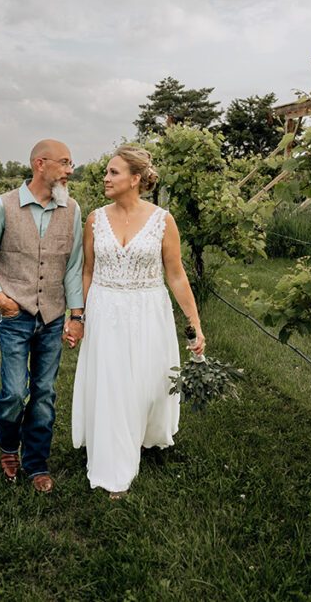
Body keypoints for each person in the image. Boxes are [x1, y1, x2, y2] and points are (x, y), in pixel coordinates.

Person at [71, 145, 205, 498]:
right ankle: (114, 467)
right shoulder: (94, 219)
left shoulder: (163, 220)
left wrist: (194, 322)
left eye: (113, 172)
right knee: (113, 385)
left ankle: (142, 435)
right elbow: (87, 271)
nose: (106, 178)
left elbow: (176, 274)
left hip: (148, 311)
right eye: (107, 172)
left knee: (145, 384)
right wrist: (79, 316)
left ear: (135, 178)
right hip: (105, 310)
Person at [0, 139, 85, 493]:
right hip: (15, 315)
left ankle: (36, 463)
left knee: (45, 392)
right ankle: (8, 448)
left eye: (70, 163)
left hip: (52, 316)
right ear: (40, 164)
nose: (69, 170)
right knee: (14, 392)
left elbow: (73, 266)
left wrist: (76, 315)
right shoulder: (2, 206)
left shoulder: (72, 209)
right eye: (64, 163)